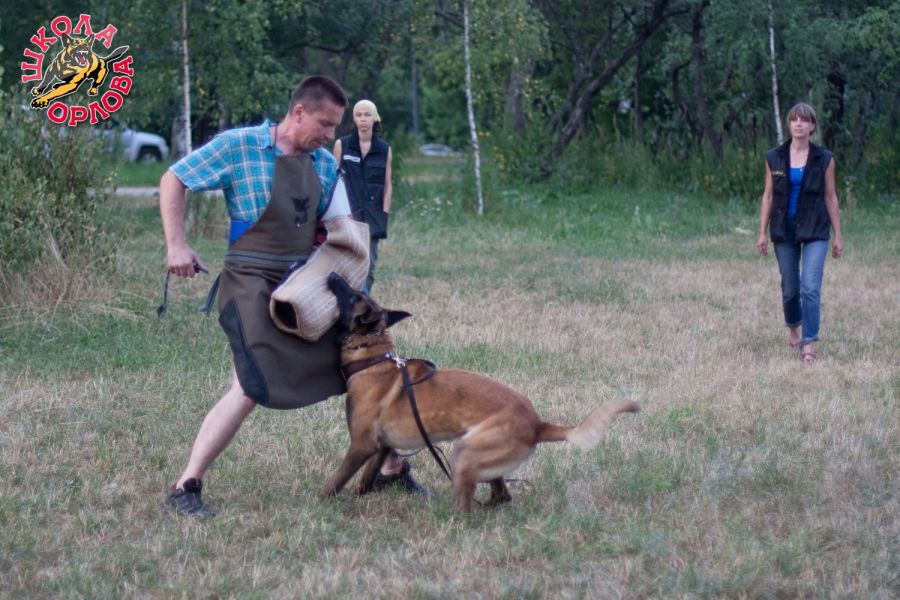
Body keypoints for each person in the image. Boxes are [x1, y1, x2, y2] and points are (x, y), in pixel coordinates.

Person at [159, 76, 422, 517]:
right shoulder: (240, 146)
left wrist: (351, 284)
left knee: (361, 366)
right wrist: (176, 245)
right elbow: (174, 178)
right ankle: (186, 485)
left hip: (304, 286)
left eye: (335, 127)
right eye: (325, 124)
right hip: (248, 283)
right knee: (249, 384)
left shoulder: (322, 164)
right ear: (298, 112)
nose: (330, 135)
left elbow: (341, 230)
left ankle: (390, 468)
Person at [757, 102, 843, 364]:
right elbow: (768, 196)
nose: (799, 124)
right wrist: (762, 232)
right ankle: (793, 326)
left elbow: (830, 197)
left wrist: (838, 235)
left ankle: (809, 342)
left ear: (812, 126)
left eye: (804, 120)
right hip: (784, 228)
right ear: (789, 124)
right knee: (790, 288)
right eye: (794, 119)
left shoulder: (824, 159)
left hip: (815, 227)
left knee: (810, 287)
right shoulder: (774, 157)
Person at [333, 99, 393, 293]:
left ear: (375, 118)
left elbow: (387, 184)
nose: (363, 119)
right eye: (359, 115)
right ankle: (345, 303)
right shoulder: (342, 145)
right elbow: (334, 182)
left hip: (373, 217)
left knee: (369, 267)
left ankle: (363, 302)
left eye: (367, 114)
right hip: (347, 215)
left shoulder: (384, 150)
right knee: (345, 264)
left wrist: (384, 213)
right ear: (354, 119)